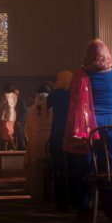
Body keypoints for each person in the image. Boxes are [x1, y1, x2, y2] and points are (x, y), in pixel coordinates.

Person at [65, 39, 112, 223]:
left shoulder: (81, 75)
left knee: (88, 169)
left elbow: (72, 99)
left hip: (90, 125)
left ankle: (86, 212)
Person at [47, 70, 73, 210]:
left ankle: (60, 200)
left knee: (58, 167)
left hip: (57, 131)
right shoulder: (72, 93)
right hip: (71, 132)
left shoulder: (54, 94)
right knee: (72, 166)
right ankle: (73, 198)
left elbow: (44, 113)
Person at [24, 84, 52, 201]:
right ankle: (50, 194)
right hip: (50, 140)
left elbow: (28, 128)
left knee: (37, 169)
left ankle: (37, 194)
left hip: (36, 140)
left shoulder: (32, 108)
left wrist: (31, 138)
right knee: (50, 168)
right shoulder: (53, 108)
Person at [0, 83, 18, 150]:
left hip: (6, 115)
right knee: (9, 131)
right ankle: (6, 148)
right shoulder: (15, 95)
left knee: (6, 132)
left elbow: (1, 105)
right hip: (13, 114)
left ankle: (13, 146)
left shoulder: (6, 95)